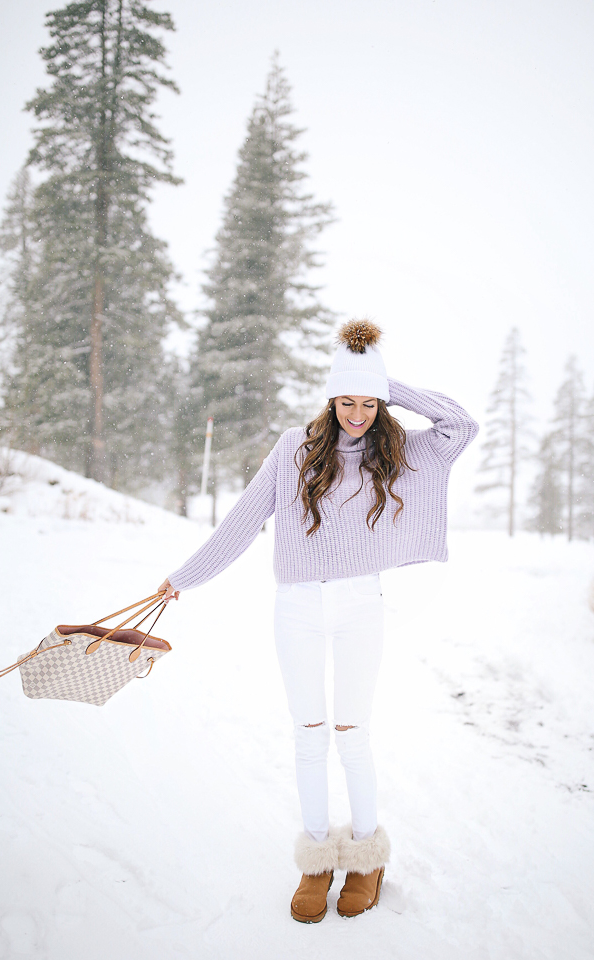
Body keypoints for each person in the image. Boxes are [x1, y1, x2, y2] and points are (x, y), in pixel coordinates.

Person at [158, 319, 479, 923]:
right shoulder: (294, 450)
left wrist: (386, 381)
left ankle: (366, 860)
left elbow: (461, 425)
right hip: (297, 608)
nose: (357, 413)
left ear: (379, 404)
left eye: (367, 402)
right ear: (329, 399)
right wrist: (183, 578)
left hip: (361, 606)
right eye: (346, 399)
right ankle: (314, 863)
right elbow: (243, 521)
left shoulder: (401, 451)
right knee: (308, 733)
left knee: (352, 734)